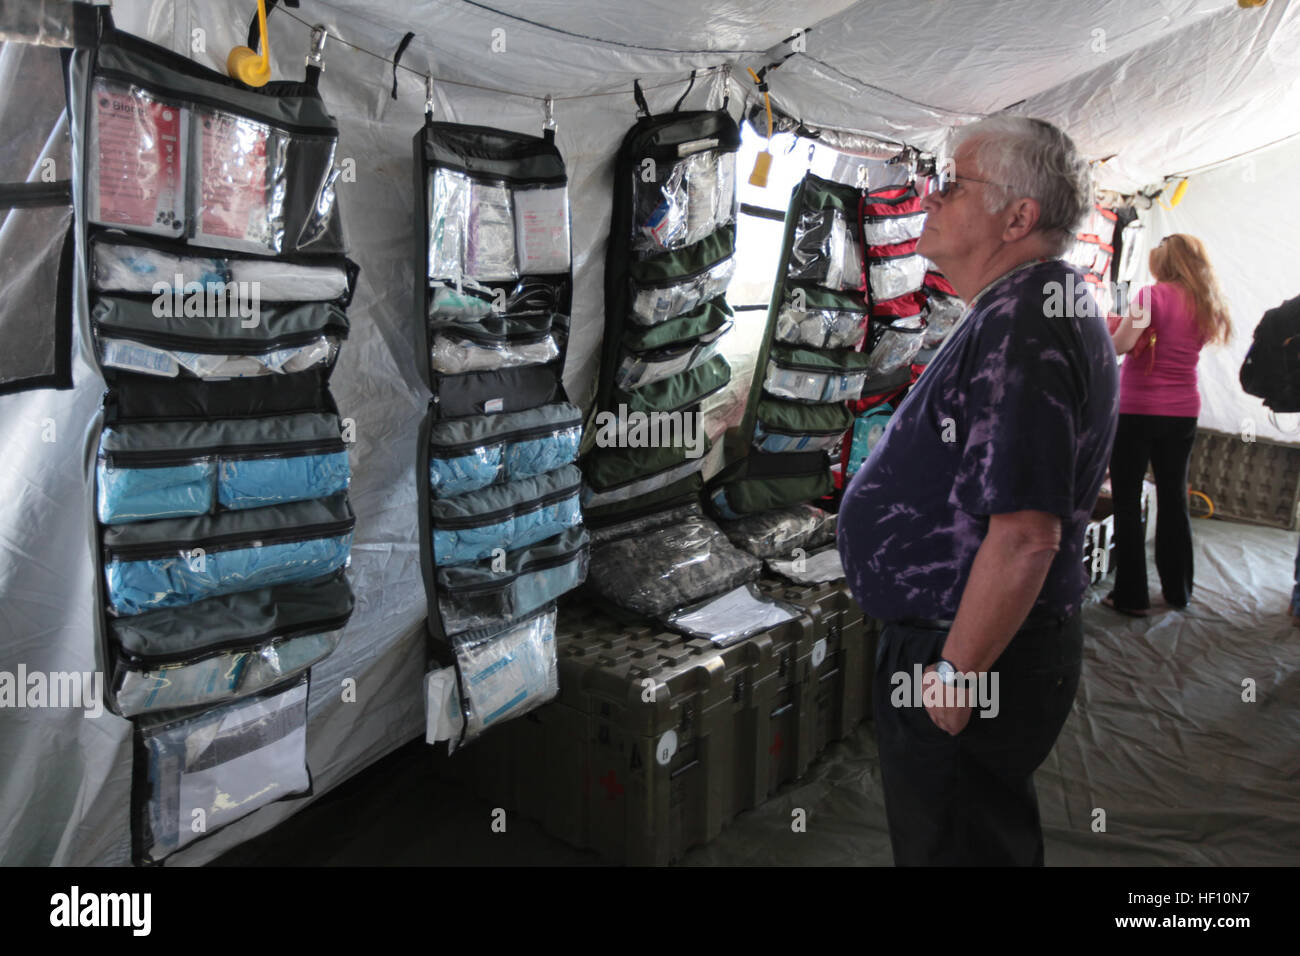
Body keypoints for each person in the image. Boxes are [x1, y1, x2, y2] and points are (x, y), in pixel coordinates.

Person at [837, 115, 1119, 866]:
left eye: (955, 184)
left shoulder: (1026, 319)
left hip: (971, 647)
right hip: (979, 639)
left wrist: (957, 677)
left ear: (1018, 217)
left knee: (955, 845)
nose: (930, 195)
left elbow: (1028, 533)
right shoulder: (1033, 303)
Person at [1104, 234, 1232, 616]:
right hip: (1182, 411)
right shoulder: (1207, 302)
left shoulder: (1150, 297)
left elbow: (1122, 345)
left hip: (1138, 409)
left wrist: (1097, 332)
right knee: (1175, 496)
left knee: (1127, 500)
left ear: (1164, 263)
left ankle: (1131, 596)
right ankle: (1179, 590)